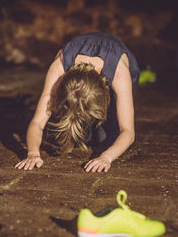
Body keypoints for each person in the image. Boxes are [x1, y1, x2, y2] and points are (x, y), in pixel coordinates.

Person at [15, 31, 140, 172]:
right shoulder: (59, 67)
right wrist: (32, 154)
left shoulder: (119, 73)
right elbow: (37, 122)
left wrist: (107, 157)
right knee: (69, 136)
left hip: (119, 58)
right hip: (80, 54)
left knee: (107, 139)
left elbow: (128, 132)